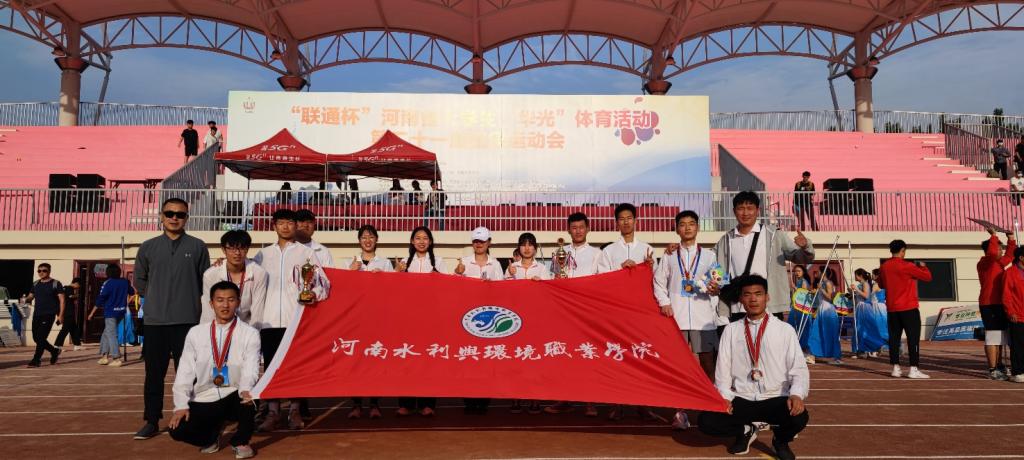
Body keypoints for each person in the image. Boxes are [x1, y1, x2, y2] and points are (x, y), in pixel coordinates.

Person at [698, 275, 809, 460]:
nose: (753, 299)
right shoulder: (731, 330)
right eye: (747, 294)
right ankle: (745, 430)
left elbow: (798, 368)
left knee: (799, 416)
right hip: (743, 398)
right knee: (707, 421)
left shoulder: (784, 330)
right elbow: (723, 369)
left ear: (767, 297)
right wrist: (724, 398)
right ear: (741, 299)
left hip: (775, 397)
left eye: (758, 294)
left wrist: (796, 394)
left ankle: (780, 440)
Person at [134, 198, 211, 440]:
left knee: (189, 374)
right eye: (169, 213)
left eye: (180, 214)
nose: (174, 218)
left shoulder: (198, 246)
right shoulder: (148, 247)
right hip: (155, 322)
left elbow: (205, 281)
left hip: (188, 322)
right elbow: (139, 281)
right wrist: (155, 298)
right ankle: (152, 420)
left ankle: (192, 417)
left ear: (187, 218)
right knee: (153, 375)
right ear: (161, 216)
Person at [252, 209, 329, 432]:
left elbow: (323, 283)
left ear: (296, 226)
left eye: (290, 223)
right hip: (268, 321)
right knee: (271, 368)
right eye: (281, 223)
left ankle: (295, 411)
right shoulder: (262, 255)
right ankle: (273, 412)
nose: (285, 227)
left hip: (295, 321)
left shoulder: (307, 253)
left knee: (296, 368)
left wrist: (313, 293)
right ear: (274, 225)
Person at [169, 281, 260, 458]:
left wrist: (246, 389)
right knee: (177, 430)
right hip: (205, 396)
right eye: (220, 300)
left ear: (238, 302)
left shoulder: (250, 333)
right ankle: (211, 437)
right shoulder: (196, 333)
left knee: (251, 398)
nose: (225, 305)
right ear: (211, 304)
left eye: (231, 300)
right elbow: (185, 371)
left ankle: (241, 441)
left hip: (234, 393)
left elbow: (251, 367)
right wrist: (180, 405)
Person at [654, 210, 722, 430]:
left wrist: (714, 289)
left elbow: (718, 284)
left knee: (708, 362)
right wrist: (664, 302)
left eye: (691, 223)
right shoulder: (669, 255)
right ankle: (679, 411)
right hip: (677, 317)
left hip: (704, 318)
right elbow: (658, 282)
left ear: (697, 227)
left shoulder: (710, 256)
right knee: (679, 365)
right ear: (677, 229)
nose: (687, 228)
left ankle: (710, 406)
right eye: (682, 224)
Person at [714, 191, 814, 322]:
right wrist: (716, 285)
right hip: (737, 307)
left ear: (758, 211)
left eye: (750, 208)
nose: (745, 213)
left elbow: (800, 257)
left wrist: (806, 246)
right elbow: (713, 265)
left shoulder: (774, 235)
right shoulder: (725, 240)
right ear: (734, 211)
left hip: (769, 307)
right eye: (741, 208)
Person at [546, 212, 608, 416]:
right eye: (574, 228)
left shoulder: (597, 253)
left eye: (581, 227)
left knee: (588, 355)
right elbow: (553, 278)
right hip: (563, 312)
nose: (578, 231)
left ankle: (590, 401)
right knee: (564, 355)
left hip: (586, 312)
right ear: (568, 230)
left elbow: (602, 281)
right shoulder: (559, 252)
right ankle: (565, 398)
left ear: (588, 229)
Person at [343, 224, 393, 419]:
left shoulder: (385, 263)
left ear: (376, 240)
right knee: (355, 362)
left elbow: (392, 290)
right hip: (355, 320)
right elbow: (342, 289)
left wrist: (383, 279)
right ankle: (356, 404)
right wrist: (350, 273)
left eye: (371, 237)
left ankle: (374, 403)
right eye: (364, 237)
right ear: (359, 240)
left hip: (377, 319)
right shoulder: (349, 262)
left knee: (374, 361)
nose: (367, 240)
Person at [396, 226, 445, 416]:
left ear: (430, 242)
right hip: (408, 320)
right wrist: (397, 272)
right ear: (412, 241)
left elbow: (446, 288)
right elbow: (394, 289)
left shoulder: (439, 261)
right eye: (418, 238)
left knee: (429, 361)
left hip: (431, 320)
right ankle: (406, 403)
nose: (422, 241)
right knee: (407, 360)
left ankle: (428, 403)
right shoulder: (404, 262)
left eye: (425, 238)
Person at [454, 226, 503, 414]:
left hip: (489, 320)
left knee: (486, 361)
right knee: (468, 359)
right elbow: (453, 288)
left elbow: (503, 290)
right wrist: (458, 273)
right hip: (467, 319)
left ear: (489, 242)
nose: (479, 244)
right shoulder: (464, 262)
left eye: (482, 241)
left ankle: (483, 400)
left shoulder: (495, 264)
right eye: (476, 241)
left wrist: (492, 288)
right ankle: (469, 400)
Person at [878, 239, 932, 379]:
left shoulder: (884, 266)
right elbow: (927, 277)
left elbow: (881, 284)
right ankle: (913, 369)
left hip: (892, 308)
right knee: (913, 339)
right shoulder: (908, 265)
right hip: (908, 307)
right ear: (902, 250)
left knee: (894, 339)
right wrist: (923, 267)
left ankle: (895, 368)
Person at [200, 230, 268, 325]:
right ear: (223, 250)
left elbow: (257, 312)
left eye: (242, 248)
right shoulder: (211, 274)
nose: (237, 253)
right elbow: (208, 312)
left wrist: (253, 333)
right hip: (219, 327)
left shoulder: (258, 273)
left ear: (247, 249)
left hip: (246, 327)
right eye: (232, 248)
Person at [978, 227, 1016, 380]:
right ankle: (992, 369)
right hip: (989, 304)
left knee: (1000, 337)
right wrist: (993, 235)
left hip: (999, 303)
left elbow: (1010, 256)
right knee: (992, 336)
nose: (1001, 251)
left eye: (1001, 249)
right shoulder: (985, 263)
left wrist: (1011, 239)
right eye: (999, 249)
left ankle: (999, 365)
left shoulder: (999, 263)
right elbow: (993, 253)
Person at [20, 262, 65, 367]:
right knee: (36, 338)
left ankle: (36, 360)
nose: (41, 273)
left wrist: (61, 315)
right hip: (37, 314)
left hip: (49, 314)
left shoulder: (56, 283)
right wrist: (25, 299)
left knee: (41, 337)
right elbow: (31, 296)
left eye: (44, 270)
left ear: (49, 271)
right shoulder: (36, 284)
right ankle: (54, 351)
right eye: (39, 271)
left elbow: (62, 300)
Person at [88, 264, 134, 367]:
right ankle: (104, 356)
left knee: (111, 334)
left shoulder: (108, 283)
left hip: (110, 312)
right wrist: (124, 302)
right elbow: (132, 292)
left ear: (108, 272)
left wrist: (92, 313)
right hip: (121, 312)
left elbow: (101, 298)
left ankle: (116, 358)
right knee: (107, 332)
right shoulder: (125, 282)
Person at [601, 203, 655, 272]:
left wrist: (650, 268)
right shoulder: (608, 251)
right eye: (622, 219)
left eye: (629, 218)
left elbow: (657, 276)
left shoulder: (648, 249)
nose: (626, 222)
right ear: (617, 223)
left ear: (635, 221)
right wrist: (620, 268)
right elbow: (603, 276)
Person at [806, 267, 842, 365]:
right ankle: (813, 355)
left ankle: (837, 357)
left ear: (823, 273)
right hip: (821, 309)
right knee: (816, 332)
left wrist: (821, 289)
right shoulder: (821, 283)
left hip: (828, 311)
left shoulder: (828, 283)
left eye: (818, 272)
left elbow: (830, 298)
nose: (816, 273)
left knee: (830, 334)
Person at [851, 268, 888, 358]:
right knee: (859, 329)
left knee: (863, 329)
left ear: (860, 276)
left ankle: (869, 349)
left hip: (864, 307)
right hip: (861, 307)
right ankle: (862, 350)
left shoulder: (866, 284)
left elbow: (867, 296)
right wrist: (853, 293)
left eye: (855, 275)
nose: (854, 276)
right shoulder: (862, 284)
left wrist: (856, 289)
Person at [1000, 247, 1024, 383]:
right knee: (1017, 346)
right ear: (1021, 257)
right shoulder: (1010, 273)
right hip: (1017, 316)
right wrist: (1010, 312)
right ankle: (1018, 372)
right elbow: (1006, 295)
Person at [55, 277, 84, 351]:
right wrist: (77, 296)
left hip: (65, 312)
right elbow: (70, 296)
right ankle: (57, 346)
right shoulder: (70, 288)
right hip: (68, 312)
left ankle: (77, 345)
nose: (78, 288)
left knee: (73, 328)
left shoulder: (64, 288)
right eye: (79, 286)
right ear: (76, 283)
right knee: (65, 329)